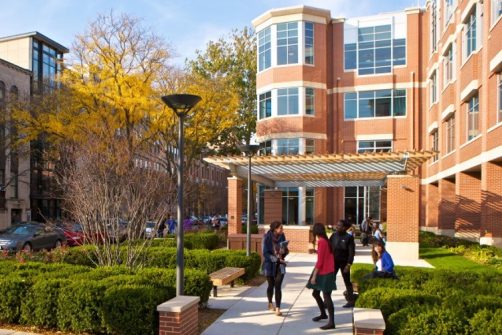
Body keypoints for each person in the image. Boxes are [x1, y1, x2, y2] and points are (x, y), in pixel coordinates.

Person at [307, 223, 336, 330]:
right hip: (325, 271)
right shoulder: (325, 241)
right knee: (315, 293)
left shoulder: (322, 241)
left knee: (326, 296)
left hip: (325, 272)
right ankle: (323, 314)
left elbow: (320, 262)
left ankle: (332, 322)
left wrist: (314, 276)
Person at [262, 221, 288, 317]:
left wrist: (284, 251)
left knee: (278, 286)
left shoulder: (282, 236)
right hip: (269, 265)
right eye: (280, 228)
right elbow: (265, 253)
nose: (282, 230)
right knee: (271, 285)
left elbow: (286, 250)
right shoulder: (267, 237)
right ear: (275, 229)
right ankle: (270, 302)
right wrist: (276, 259)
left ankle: (278, 308)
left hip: (281, 265)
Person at [329, 220, 356, 308]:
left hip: (344, 263)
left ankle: (351, 300)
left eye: (339, 225)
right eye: (337, 225)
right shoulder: (334, 235)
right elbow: (329, 247)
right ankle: (327, 301)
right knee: (330, 280)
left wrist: (348, 264)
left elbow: (351, 252)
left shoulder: (349, 237)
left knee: (347, 281)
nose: (337, 226)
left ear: (344, 227)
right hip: (334, 262)